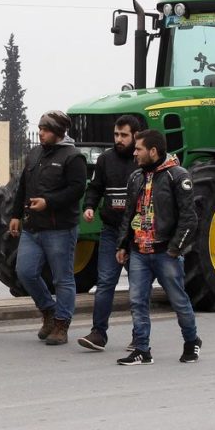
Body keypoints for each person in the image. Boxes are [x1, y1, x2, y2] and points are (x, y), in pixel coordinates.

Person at [115, 129, 202, 366]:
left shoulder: (178, 176)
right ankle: (142, 350)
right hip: (139, 252)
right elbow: (129, 215)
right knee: (137, 301)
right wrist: (123, 244)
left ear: (153, 151)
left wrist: (175, 249)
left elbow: (189, 218)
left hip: (166, 253)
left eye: (139, 149)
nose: (134, 154)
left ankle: (191, 341)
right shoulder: (135, 178)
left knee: (178, 300)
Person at [8, 110, 87, 345]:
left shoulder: (73, 157)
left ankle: (62, 324)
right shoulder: (34, 154)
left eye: (45, 129)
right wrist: (15, 215)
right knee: (25, 272)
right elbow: (23, 185)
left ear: (59, 132)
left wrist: (49, 202)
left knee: (62, 279)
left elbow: (77, 190)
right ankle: (48, 310)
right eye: (40, 128)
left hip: (60, 229)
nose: (40, 132)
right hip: (33, 228)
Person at [77, 114, 145, 352]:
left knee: (138, 285)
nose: (119, 139)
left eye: (124, 135)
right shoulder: (106, 160)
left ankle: (140, 337)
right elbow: (95, 188)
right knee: (105, 282)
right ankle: (98, 333)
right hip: (111, 232)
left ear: (136, 136)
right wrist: (89, 207)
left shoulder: (142, 161)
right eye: (116, 135)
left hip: (138, 234)